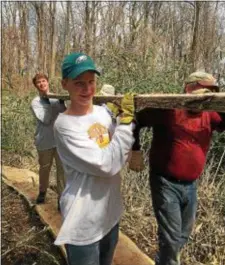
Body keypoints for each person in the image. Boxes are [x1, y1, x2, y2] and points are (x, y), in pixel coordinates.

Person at [129, 71, 225, 265]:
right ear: (189, 89)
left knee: (183, 234)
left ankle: (162, 260)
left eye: (211, 92)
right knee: (172, 238)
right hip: (165, 182)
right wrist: (135, 149)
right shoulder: (169, 109)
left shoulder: (210, 114)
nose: (206, 95)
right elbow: (136, 120)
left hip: (191, 185)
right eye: (203, 90)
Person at [53, 52, 136, 265]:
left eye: (91, 82)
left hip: (109, 213)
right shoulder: (64, 126)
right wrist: (126, 124)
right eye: (79, 83)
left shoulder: (102, 112)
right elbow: (107, 164)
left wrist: (123, 127)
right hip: (83, 220)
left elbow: (119, 147)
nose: (87, 89)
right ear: (65, 84)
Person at [31, 73, 66, 206]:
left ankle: (61, 199)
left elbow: (64, 115)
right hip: (44, 141)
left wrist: (61, 104)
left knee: (62, 170)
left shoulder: (56, 98)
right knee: (45, 168)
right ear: (36, 86)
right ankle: (42, 192)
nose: (42, 84)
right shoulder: (35, 102)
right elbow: (45, 120)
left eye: (43, 81)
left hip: (59, 140)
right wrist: (47, 102)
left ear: (47, 82)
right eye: (38, 82)